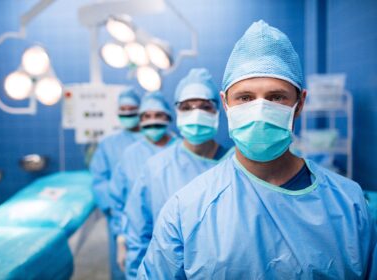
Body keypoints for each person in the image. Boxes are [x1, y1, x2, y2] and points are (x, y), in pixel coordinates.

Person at [138, 20, 377, 279]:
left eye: (276, 97)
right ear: (225, 104)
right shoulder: (187, 210)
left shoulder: (349, 203)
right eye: (245, 98)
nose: (260, 110)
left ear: (300, 103)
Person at [124, 68, 232, 279]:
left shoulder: (236, 165)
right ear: (177, 112)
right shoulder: (156, 168)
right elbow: (139, 234)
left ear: (218, 111)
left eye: (205, 107)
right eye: (187, 107)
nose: (196, 113)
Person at [109, 91, 178, 274]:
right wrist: (121, 238)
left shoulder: (183, 151)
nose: (152, 120)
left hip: (178, 238)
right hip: (139, 237)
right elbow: (118, 199)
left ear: (168, 117)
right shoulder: (131, 154)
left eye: (158, 115)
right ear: (140, 120)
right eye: (147, 116)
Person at [89, 87, 142, 280]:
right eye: (123, 109)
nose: (127, 113)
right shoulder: (108, 144)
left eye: (132, 109)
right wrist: (115, 209)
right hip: (120, 214)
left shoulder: (156, 140)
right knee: (122, 266)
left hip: (152, 212)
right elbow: (99, 180)